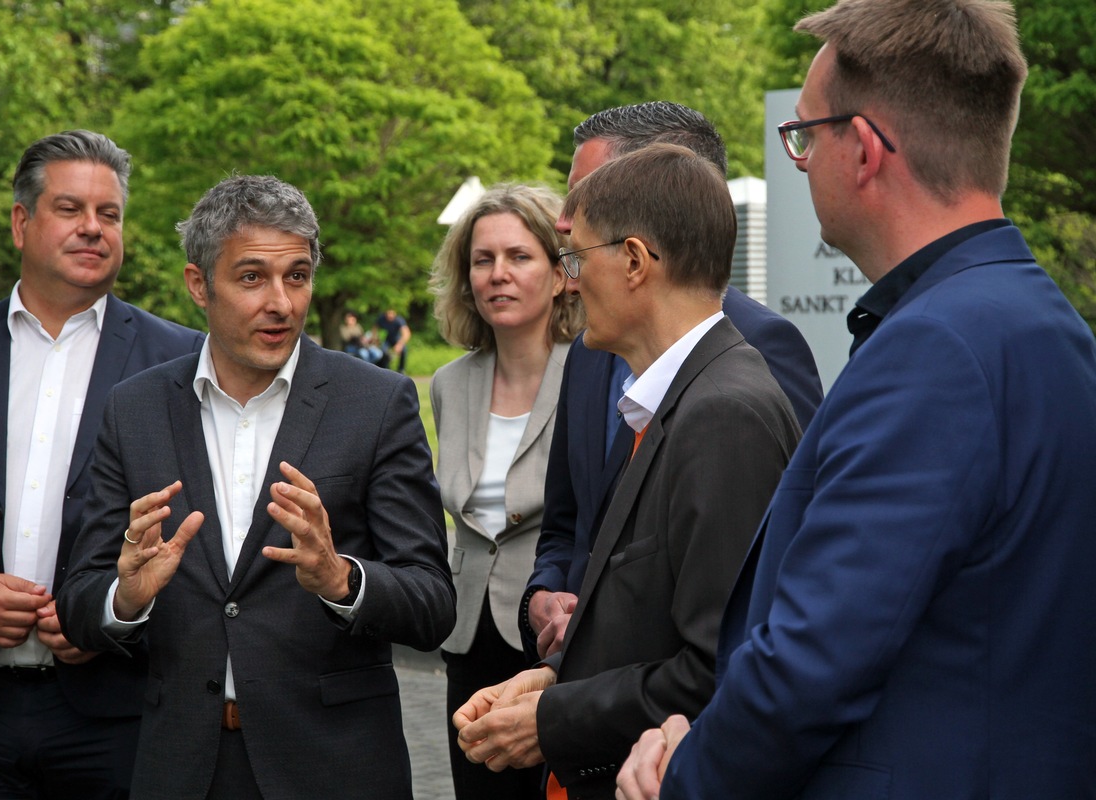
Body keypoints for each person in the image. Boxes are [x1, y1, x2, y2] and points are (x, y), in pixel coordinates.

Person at [616, 2, 1096, 799]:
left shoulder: (935, 349)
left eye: (804, 136)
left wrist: (685, 775)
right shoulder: (1044, 324)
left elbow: (814, 660)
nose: (799, 163)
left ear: (864, 149)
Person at [55, 175, 456, 800]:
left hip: (336, 768)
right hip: (182, 767)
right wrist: (124, 598)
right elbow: (80, 604)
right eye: (251, 278)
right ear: (198, 285)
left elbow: (433, 604)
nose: (282, 302)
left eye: (296, 276)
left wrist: (341, 579)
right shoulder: (133, 410)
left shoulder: (377, 403)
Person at [454, 144, 802, 800]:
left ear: (635, 262)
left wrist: (553, 719)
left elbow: (717, 668)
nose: (571, 281)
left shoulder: (724, 412)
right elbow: (651, 625)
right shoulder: (678, 398)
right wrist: (556, 677)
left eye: (578, 258)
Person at [0, 130, 203, 798]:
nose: (94, 228)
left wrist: (114, 613)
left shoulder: (181, 362)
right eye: (70, 209)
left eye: (110, 214)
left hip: (120, 712)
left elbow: (210, 533)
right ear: (21, 222)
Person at [521, 101, 823, 662]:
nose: (563, 223)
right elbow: (569, 524)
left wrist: (557, 714)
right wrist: (544, 597)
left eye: (586, 204)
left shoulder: (754, 362)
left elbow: (743, 616)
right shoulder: (589, 351)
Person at [429, 184, 584, 799]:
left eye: (519, 256)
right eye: (482, 259)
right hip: (468, 638)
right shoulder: (448, 384)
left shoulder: (594, 373)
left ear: (559, 272)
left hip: (553, 635)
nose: (498, 274)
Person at [374, 307, 412, 372]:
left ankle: (401, 369)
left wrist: (399, 344)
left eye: (392, 314)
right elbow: (375, 329)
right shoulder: (381, 319)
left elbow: (407, 334)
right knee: (383, 351)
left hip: (396, 338)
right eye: (388, 313)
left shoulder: (399, 320)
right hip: (387, 339)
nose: (390, 316)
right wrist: (375, 339)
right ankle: (385, 368)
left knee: (404, 350)